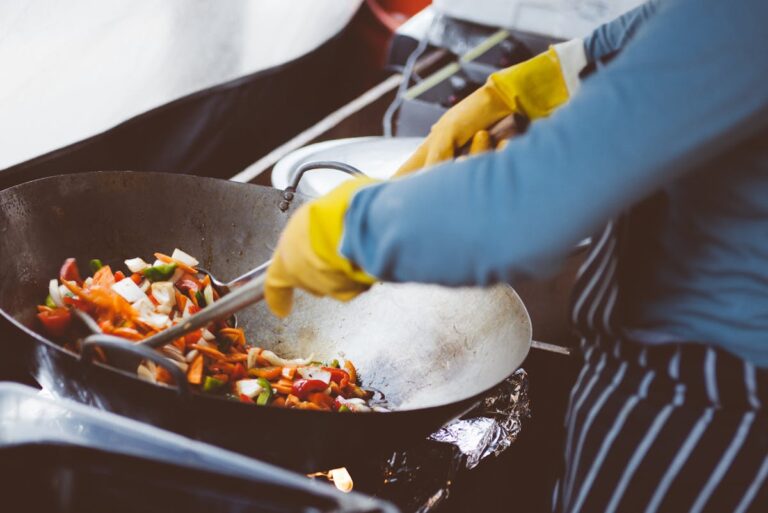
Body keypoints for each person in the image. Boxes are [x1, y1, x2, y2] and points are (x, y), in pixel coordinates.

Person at [264, 0, 768, 510]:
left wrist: (352, 228)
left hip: (708, 406)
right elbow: (680, 22)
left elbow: (530, 207)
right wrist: (555, 76)